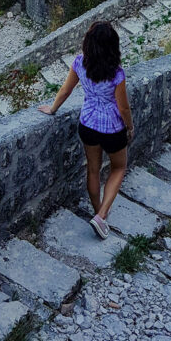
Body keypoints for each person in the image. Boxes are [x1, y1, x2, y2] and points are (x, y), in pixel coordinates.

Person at [38, 20, 134, 239]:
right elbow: (123, 107)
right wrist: (130, 126)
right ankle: (101, 216)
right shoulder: (117, 73)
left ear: (88, 44)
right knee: (119, 168)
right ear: (113, 46)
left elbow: (65, 90)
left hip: (88, 124)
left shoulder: (80, 63)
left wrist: (53, 108)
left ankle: (98, 213)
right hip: (112, 128)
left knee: (93, 170)